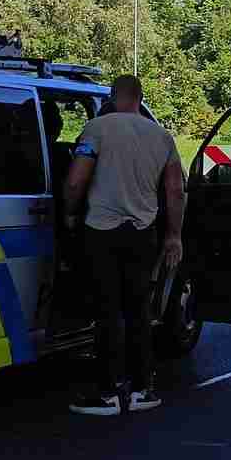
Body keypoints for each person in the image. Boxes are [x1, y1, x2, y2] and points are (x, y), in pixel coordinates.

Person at [61, 75, 182, 416]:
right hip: (144, 232)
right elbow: (175, 190)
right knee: (139, 311)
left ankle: (109, 393)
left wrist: (70, 214)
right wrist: (174, 235)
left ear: (114, 97)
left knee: (108, 310)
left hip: (102, 231)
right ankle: (143, 389)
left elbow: (75, 180)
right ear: (140, 98)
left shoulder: (97, 129)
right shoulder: (162, 137)